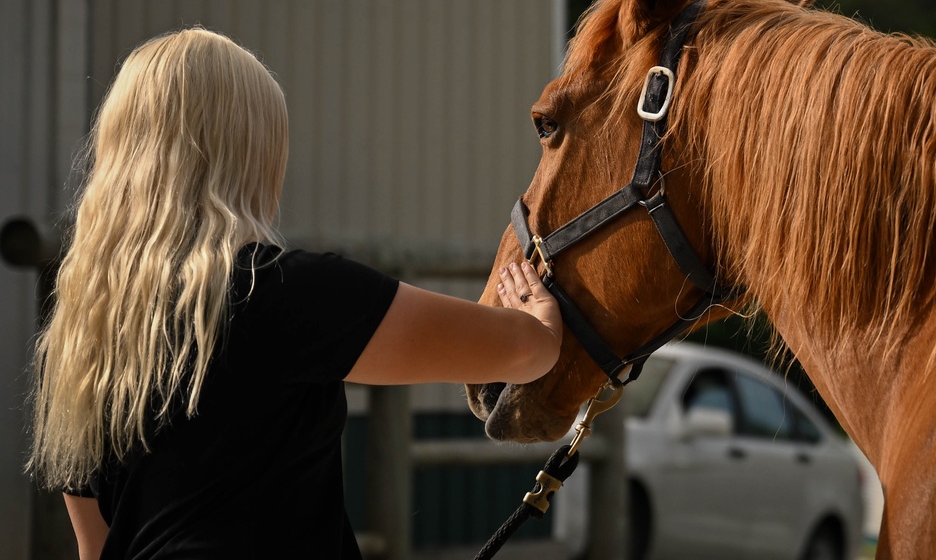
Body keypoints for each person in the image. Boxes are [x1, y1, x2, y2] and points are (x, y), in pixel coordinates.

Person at [27, 28, 561, 560]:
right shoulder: (281, 291)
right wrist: (538, 317)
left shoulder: (86, 335)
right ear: (249, 152)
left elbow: (94, 548)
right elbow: (523, 352)